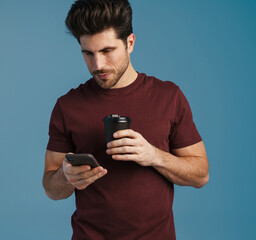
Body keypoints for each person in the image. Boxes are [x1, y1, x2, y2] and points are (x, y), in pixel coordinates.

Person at [42, 0, 209, 239]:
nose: (98, 65)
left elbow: (201, 174)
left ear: (130, 43)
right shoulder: (67, 106)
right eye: (88, 53)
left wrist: (154, 156)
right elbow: (51, 188)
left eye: (107, 51)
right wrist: (65, 177)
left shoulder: (168, 97)